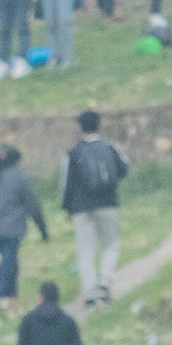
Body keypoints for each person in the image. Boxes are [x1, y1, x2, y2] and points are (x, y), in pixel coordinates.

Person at [60, 110, 128, 310]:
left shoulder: (74, 152)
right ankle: (104, 285)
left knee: (86, 251)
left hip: (81, 208)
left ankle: (89, 294)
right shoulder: (110, 146)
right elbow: (123, 168)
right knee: (111, 245)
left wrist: (68, 207)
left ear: (80, 127)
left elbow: (67, 183)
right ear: (99, 125)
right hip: (108, 203)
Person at [0, 146, 47, 328]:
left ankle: (13, 308)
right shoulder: (19, 177)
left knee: (11, 265)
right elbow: (33, 204)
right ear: (17, 161)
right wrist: (43, 230)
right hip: (11, 231)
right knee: (6, 270)